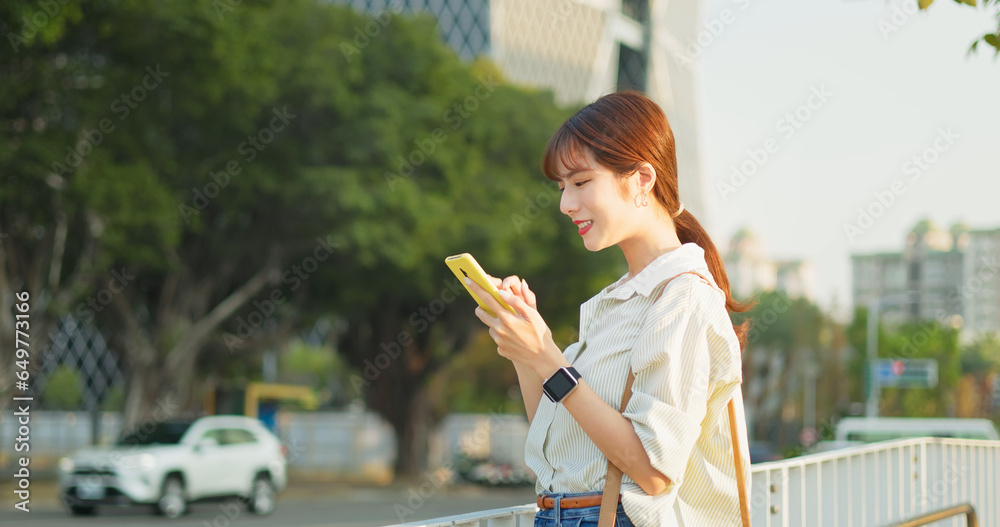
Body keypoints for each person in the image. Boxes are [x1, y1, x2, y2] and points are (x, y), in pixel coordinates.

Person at [463, 90, 754, 526]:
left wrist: (548, 359)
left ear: (641, 180)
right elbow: (559, 436)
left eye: (581, 183)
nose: (565, 204)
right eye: (562, 187)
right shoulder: (615, 300)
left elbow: (653, 471)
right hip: (562, 514)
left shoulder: (682, 298)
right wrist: (528, 351)